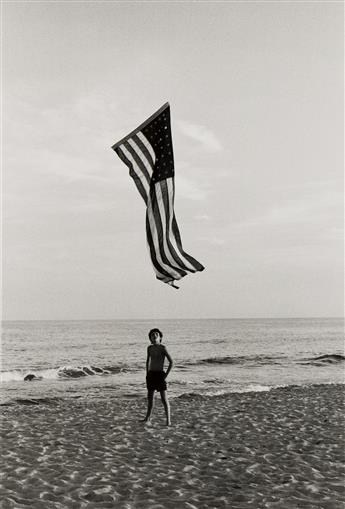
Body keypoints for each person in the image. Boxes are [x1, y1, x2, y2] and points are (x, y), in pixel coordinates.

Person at [142, 328, 173, 426]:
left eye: (156, 334)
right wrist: (147, 374)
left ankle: (168, 421)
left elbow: (171, 362)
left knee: (164, 400)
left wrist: (165, 376)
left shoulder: (163, 348)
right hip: (151, 375)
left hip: (160, 375)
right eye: (152, 335)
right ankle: (148, 418)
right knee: (150, 399)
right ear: (150, 339)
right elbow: (148, 361)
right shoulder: (149, 348)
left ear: (160, 337)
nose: (154, 335)